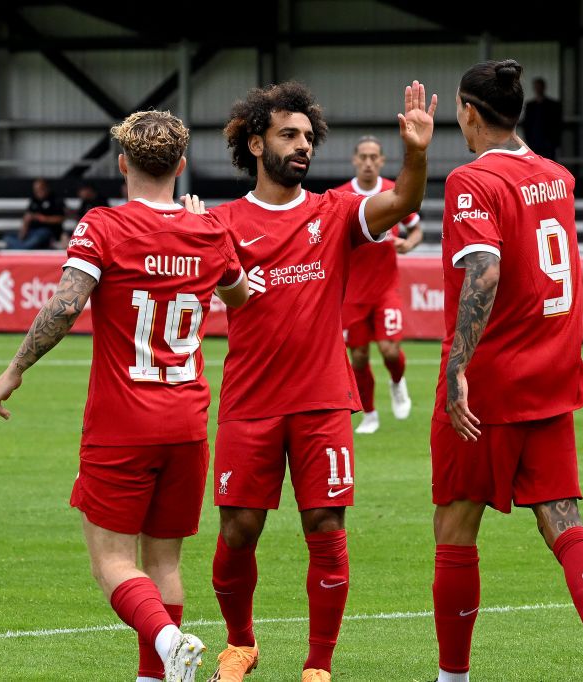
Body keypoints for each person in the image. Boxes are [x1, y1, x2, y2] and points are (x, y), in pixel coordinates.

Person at [0, 110, 250, 682]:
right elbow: (241, 295)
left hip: (122, 422)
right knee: (165, 562)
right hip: (187, 421)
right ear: (181, 166)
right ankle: (153, 676)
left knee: (112, 561)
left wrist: (15, 368)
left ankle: (166, 641)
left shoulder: (104, 225)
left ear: (122, 163)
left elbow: (65, 305)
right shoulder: (209, 230)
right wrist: (203, 231)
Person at [202, 80, 435, 682]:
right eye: (288, 135)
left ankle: (319, 665)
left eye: (308, 137)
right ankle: (240, 644)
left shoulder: (333, 212)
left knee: (325, 526)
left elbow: (405, 201)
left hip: (323, 400)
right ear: (256, 143)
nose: (303, 146)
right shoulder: (222, 222)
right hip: (250, 401)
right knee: (239, 529)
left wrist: (415, 151)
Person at [430, 59, 583, 682]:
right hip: (553, 373)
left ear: (466, 111)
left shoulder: (470, 180)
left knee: (456, 523)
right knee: (563, 518)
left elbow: (483, 267)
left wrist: (459, 364)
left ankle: (453, 676)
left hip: (491, 380)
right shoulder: (557, 177)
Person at [337, 135, 423, 434]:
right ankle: (370, 413)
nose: (369, 162)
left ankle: (398, 382)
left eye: (374, 157)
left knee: (388, 349)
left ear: (382, 161)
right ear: (355, 160)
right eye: (364, 156)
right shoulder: (341, 197)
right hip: (353, 294)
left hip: (386, 288)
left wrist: (408, 244)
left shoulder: (393, 192)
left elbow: (415, 230)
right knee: (358, 356)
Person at [5, 178, 65, 249]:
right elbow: (27, 217)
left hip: (47, 231)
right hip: (31, 232)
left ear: (46, 188)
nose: (38, 192)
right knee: (7, 237)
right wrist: (23, 230)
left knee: (37, 238)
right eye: (36, 190)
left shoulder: (55, 199)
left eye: (41, 189)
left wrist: (42, 218)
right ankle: (22, 246)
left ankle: (21, 247)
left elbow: (61, 218)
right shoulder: (34, 200)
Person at [520, 77, 563, 159]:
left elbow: (557, 124)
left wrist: (555, 140)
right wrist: (528, 139)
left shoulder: (553, 105)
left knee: (549, 162)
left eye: (539, 87)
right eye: (536, 87)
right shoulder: (530, 106)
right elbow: (527, 123)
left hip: (548, 142)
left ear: (543, 87)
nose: (538, 89)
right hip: (534, 141)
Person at [59, 183, 110, 249]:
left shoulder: (101, 200)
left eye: (82, 191)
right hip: (85, 227)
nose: (80, 193)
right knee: (65, 235)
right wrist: (71, 213)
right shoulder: (85, 202)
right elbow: (80, 216)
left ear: (89, 190)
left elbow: (103, 218)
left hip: (97, 229)